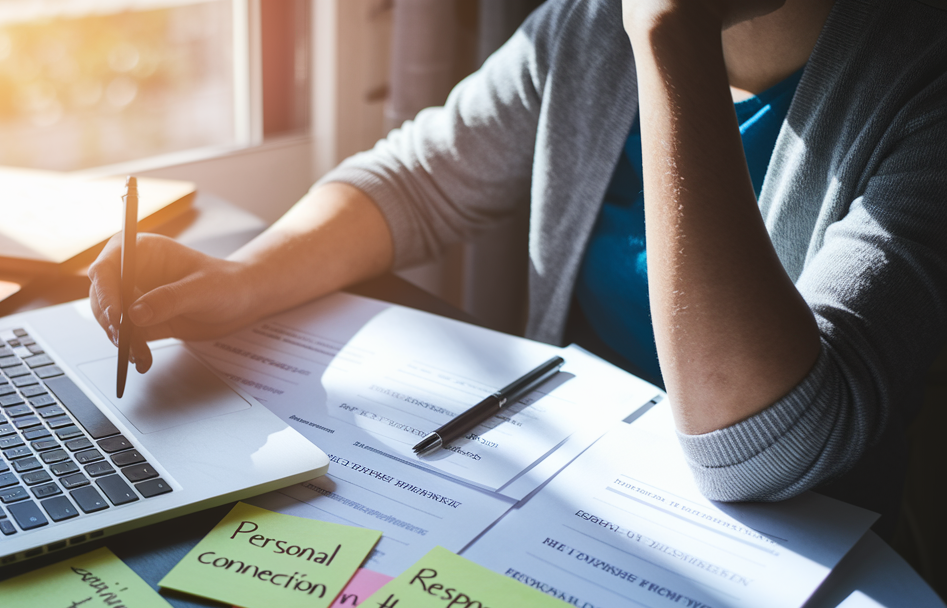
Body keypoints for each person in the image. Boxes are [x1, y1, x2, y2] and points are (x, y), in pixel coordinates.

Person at [89, 0, 947, 528]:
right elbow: (417, 180)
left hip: (803, 562)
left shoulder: (921, 86)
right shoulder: (582, 26)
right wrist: (238, 280)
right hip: (580, 502)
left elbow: (760, 450)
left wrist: (670, 35)